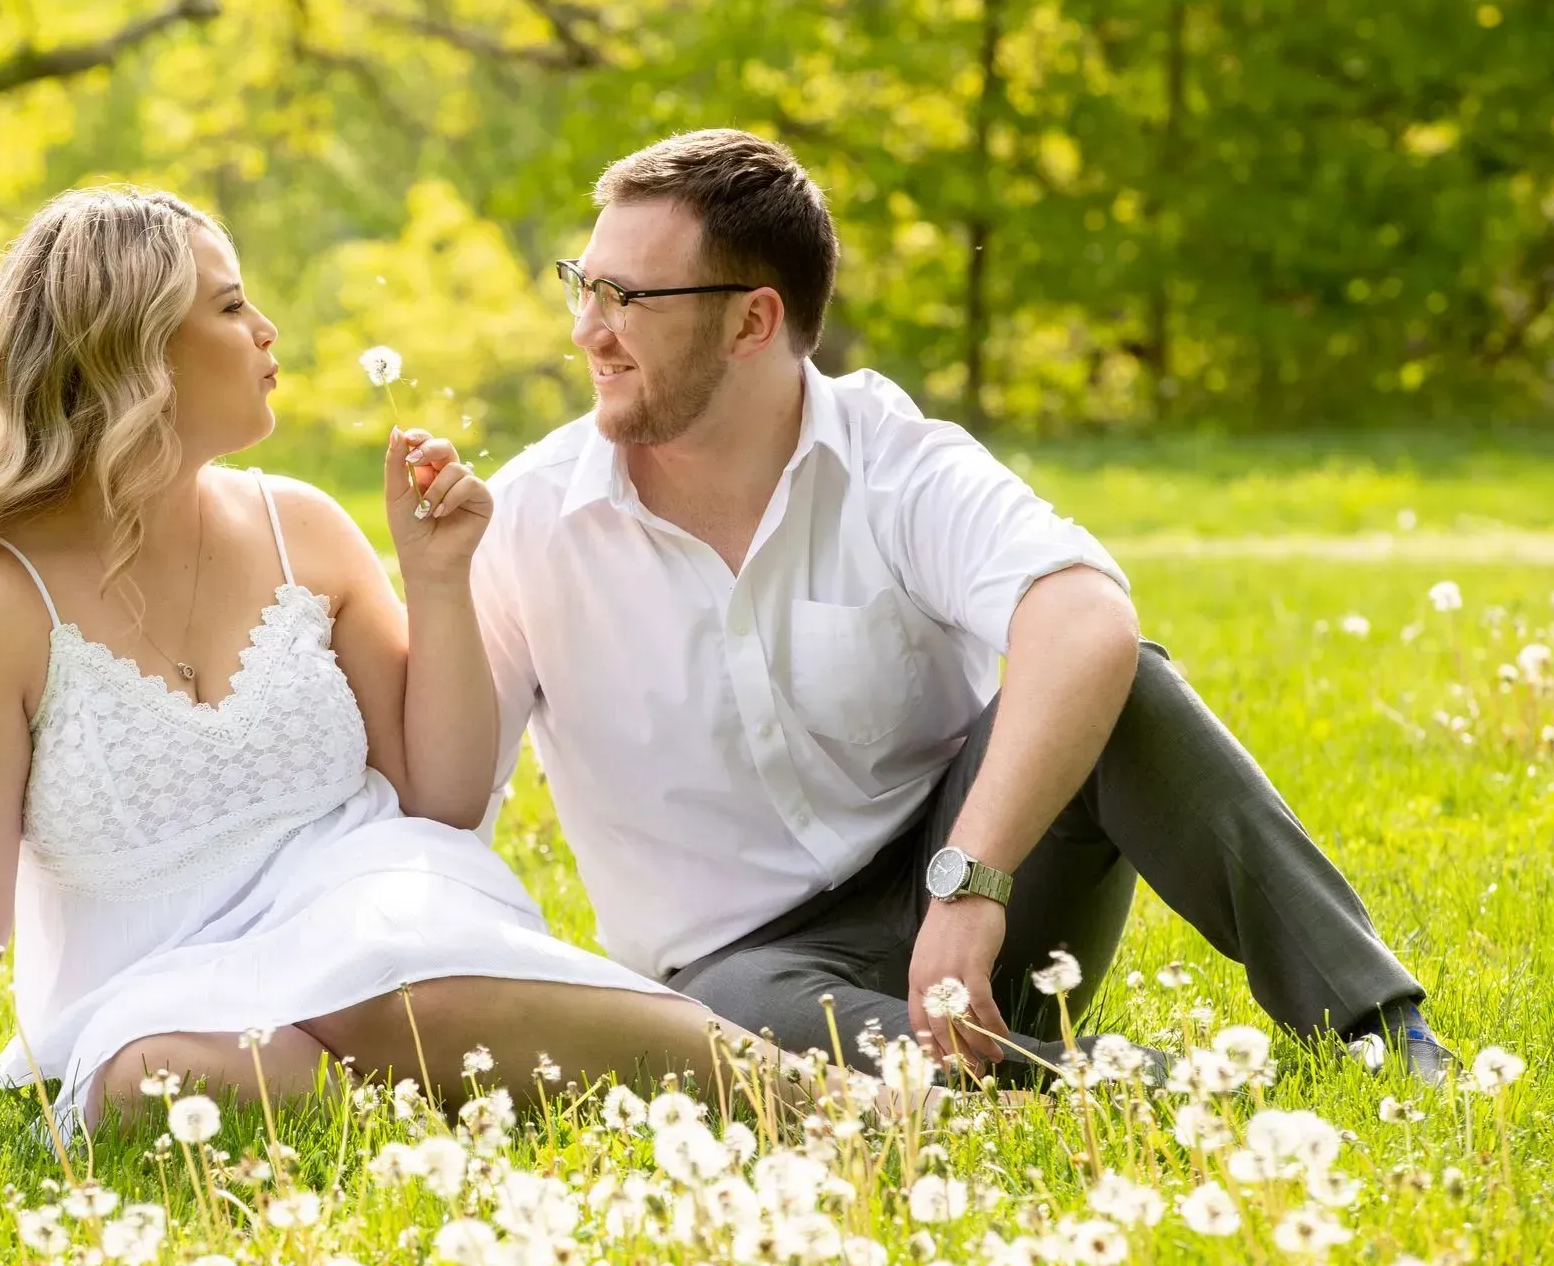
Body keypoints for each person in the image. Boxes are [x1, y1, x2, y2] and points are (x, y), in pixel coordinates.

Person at [0, 185, 869, 1139]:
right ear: (135, 347)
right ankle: (449, 1123)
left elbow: (443, 794)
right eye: (231, 305)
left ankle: (817, 1099)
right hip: (151, 983)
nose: (267, 332)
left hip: (375, 909)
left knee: (381, 977)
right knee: (155, 1078)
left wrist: (438, 581)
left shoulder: (301, 525)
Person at [470, 129, 1452, 1085]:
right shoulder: (527, 519)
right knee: (747, 1025)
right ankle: (1183, 1092)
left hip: (976, 899)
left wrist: (972, 877)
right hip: (738, 968)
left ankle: (1381, 1031)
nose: (587, 328)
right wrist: (432, 584)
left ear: (751, 321)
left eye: (628, 298)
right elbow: (441, 797)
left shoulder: (892, 460)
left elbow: (1083, 614)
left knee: (1127, 686)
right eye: (584, 285)